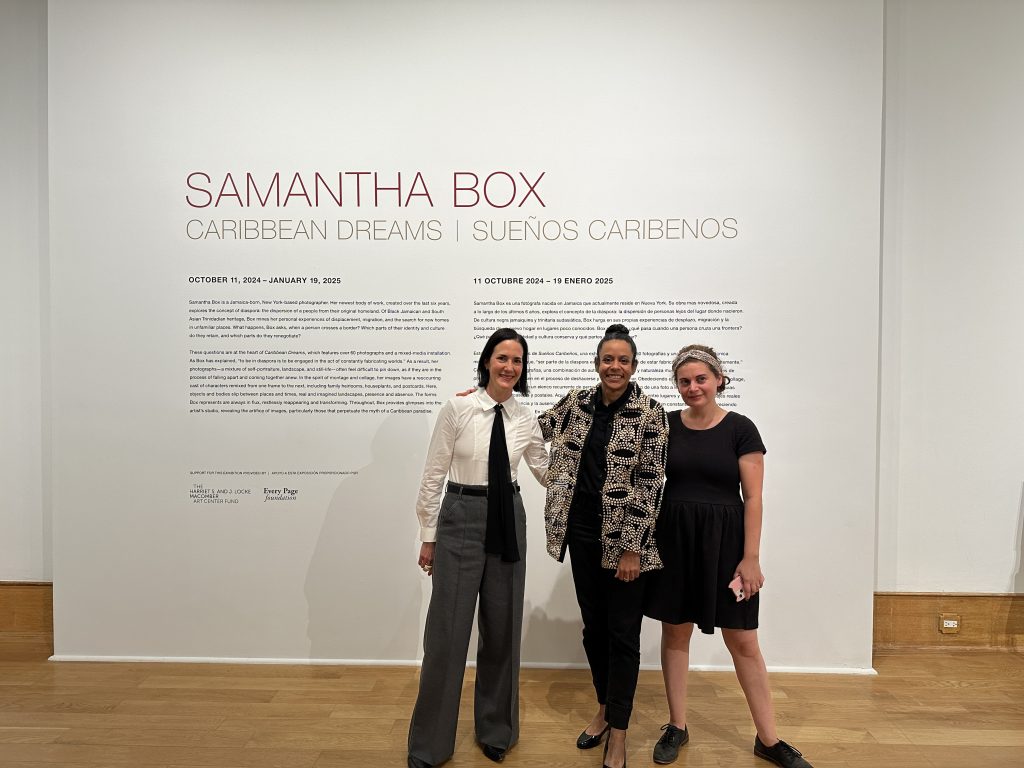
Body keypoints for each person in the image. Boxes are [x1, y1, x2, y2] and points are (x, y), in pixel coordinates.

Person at [643, 344, 813, 768]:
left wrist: (750, 558)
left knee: (743, 641)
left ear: (718, 379)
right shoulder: (664, 426)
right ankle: (677, 725)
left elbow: (753, 497)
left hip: (726, 543)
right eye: (684, 381)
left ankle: (769, 739)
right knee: (675, 631)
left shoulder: (741, 428)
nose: (692, 387)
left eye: (701, 378)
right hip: (676, 540)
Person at [407, 329, 548, 768]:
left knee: (502, 630)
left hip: (508, 518)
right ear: (487, 361)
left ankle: (497, 731)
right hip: (460, 517)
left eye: (518, 361)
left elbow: (547, 471)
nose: (509, 367)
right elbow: (433, 475)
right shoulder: (459, 408)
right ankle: (429, 746)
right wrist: (428, 535)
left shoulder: (525, 417)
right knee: (447, 635)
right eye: (502, 358)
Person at [537, 324, 668, 768]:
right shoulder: (575, 403)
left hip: (625, 548)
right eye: (607, 359)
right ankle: (604, 711)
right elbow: (531, 431)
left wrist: (632, 547)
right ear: (597, 363)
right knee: (594, 631)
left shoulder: (651, 413)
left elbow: (651, 484)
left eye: (623, 360)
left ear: (633, 367)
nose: (615, 367)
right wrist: (484, 399)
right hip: (580, 537)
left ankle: (621, 733)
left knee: (622, 636)